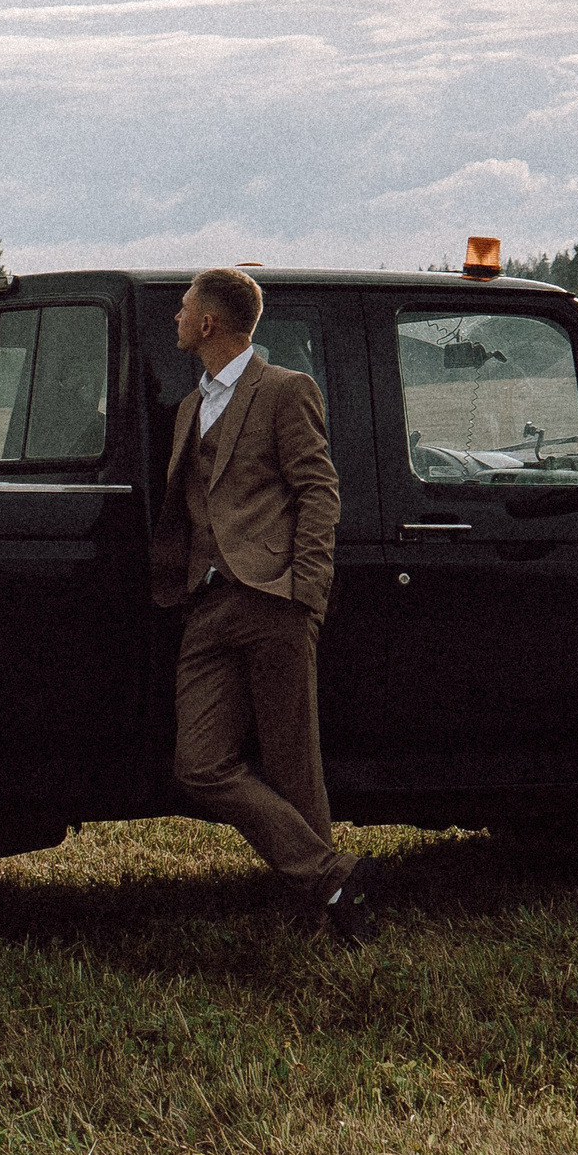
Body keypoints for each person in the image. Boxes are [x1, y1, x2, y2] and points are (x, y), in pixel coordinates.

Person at [151, 267, 382, 943]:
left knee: (293, 764)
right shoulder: (190, 408)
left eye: (184, 308)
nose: (176, 317)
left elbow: (319, 490)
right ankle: (334, 875)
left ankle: (322, 915)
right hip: (206, 605)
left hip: (274, 600)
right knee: (198, 764)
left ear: (209, 323)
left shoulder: (284, 389)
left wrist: (305, 591)